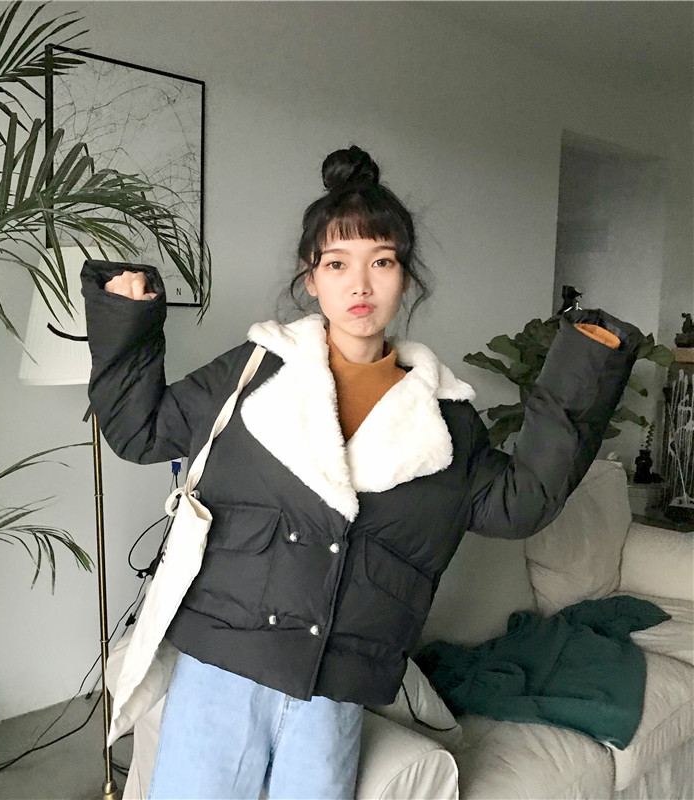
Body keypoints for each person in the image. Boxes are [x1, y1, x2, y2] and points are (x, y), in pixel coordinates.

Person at [81, 146, 641, 800]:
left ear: (405, 277)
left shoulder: (446, 419)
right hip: (223, 669)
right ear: (311, 277)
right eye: (337, 263)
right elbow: (139, 429)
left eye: (382, 261)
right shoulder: (255, 371)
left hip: (336, 691)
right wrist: (126, 315)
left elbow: (521, 503)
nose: (360, 285)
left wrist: (587, 366)